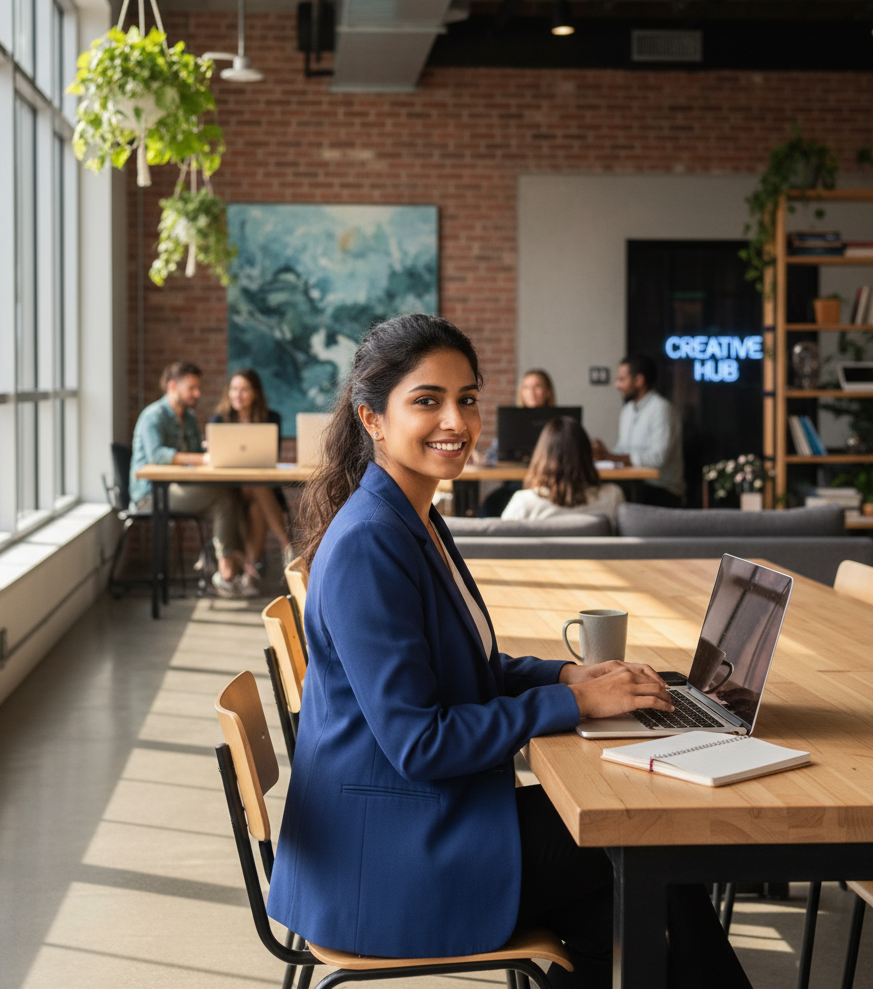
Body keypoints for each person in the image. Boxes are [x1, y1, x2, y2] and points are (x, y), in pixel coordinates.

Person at [266, 314, 752, 989]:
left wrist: (567, 672)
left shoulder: (414, 517)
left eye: (466, 399)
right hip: (386, 857)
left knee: (623, 892)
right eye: (427, 401)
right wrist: (574, 701)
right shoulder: (371, 543)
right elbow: (421, 742)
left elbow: (464, 671)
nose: (455, 422)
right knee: (643, 853)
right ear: (372, 419)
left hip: (412, 818)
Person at [129, 361, 246, 598]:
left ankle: (225, 567)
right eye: (191, 388)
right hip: (151, 494)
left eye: (198, 388)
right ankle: (225, 570)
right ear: (172, 386)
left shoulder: (190, 418)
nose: (197, 393)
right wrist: (203, 459)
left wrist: (213, 453)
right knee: (224, 499)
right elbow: (158, 456)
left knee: (229, 497)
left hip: (180, 490)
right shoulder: (153, 416)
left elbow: (196, 455)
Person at [208, 368, 293, 580]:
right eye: (234, 389)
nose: (238, 394)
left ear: (255, 393)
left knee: (256, 497)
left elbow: (270, 458)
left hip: (259, 489)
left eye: (244, 389)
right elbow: (214, 460)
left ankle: (250, 572)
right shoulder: (219, 420)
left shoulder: (270, 418)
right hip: (230, 491)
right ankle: (287, 546)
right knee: (255, 487)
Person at [592, 354, 686, 508]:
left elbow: (657, 459)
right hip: (635, 484)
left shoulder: (661, 409)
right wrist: (603, 455)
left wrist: (611, 456)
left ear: (639, 380)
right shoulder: (628, 410)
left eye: (622, 379)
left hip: (662, 489)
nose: (617, 385)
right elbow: (622, 450)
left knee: (613, 497)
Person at [502, 415, 625, 531]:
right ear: (587, 455)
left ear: (541, 457)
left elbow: (501, 548)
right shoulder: (613, 496)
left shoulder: (524, 503)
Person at [479, 367, 557, 516]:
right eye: (526, 387)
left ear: (548, 391)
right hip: (515, 485)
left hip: (550, 486)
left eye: (538, 386)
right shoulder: (511, 422)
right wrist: (484, 458)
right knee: (489, 505)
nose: (532, 392)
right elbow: (494, 454)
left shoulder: (558, 423)